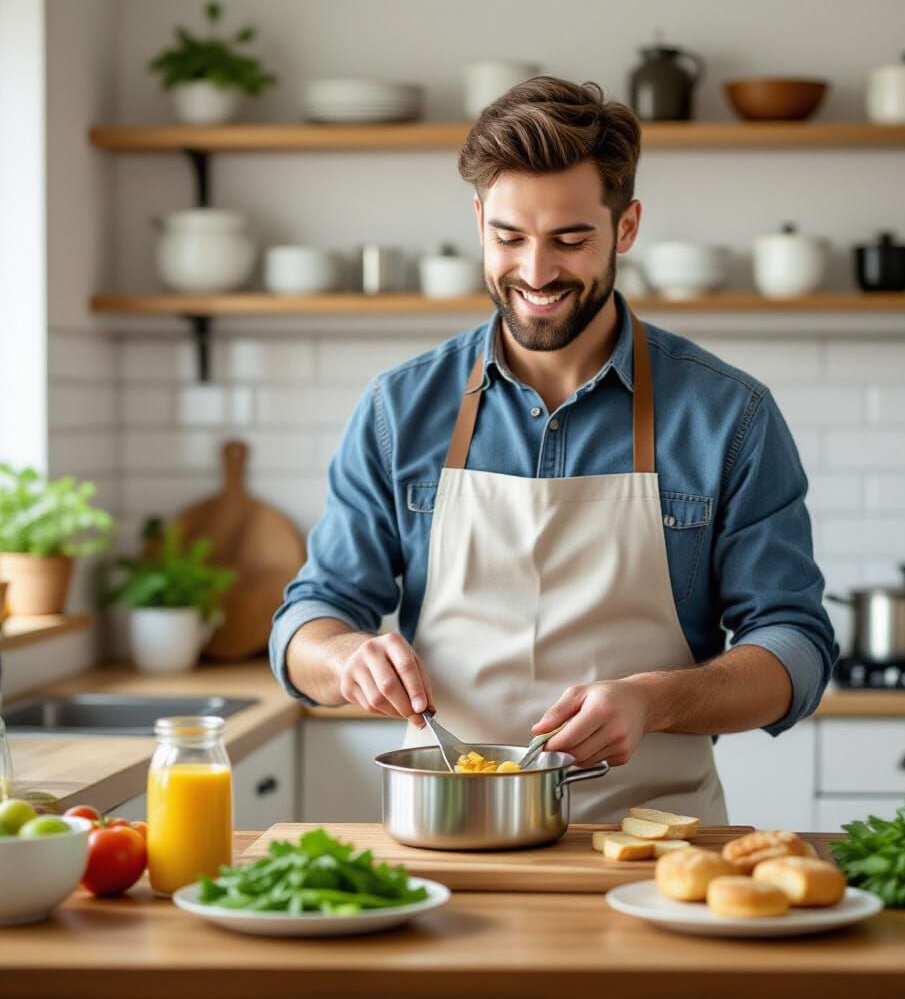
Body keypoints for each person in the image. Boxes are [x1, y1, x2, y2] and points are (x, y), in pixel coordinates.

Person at [270, 76, 837, 822]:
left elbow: (795, 649)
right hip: (449, 831)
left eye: (570, 240)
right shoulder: (398, 411)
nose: (535, 273)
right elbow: (307, 620)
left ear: (626, 227)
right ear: (478, 221)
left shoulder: (729, 416)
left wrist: (654, 699)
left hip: (654, 837)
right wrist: (344, 658)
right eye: (509, 238)